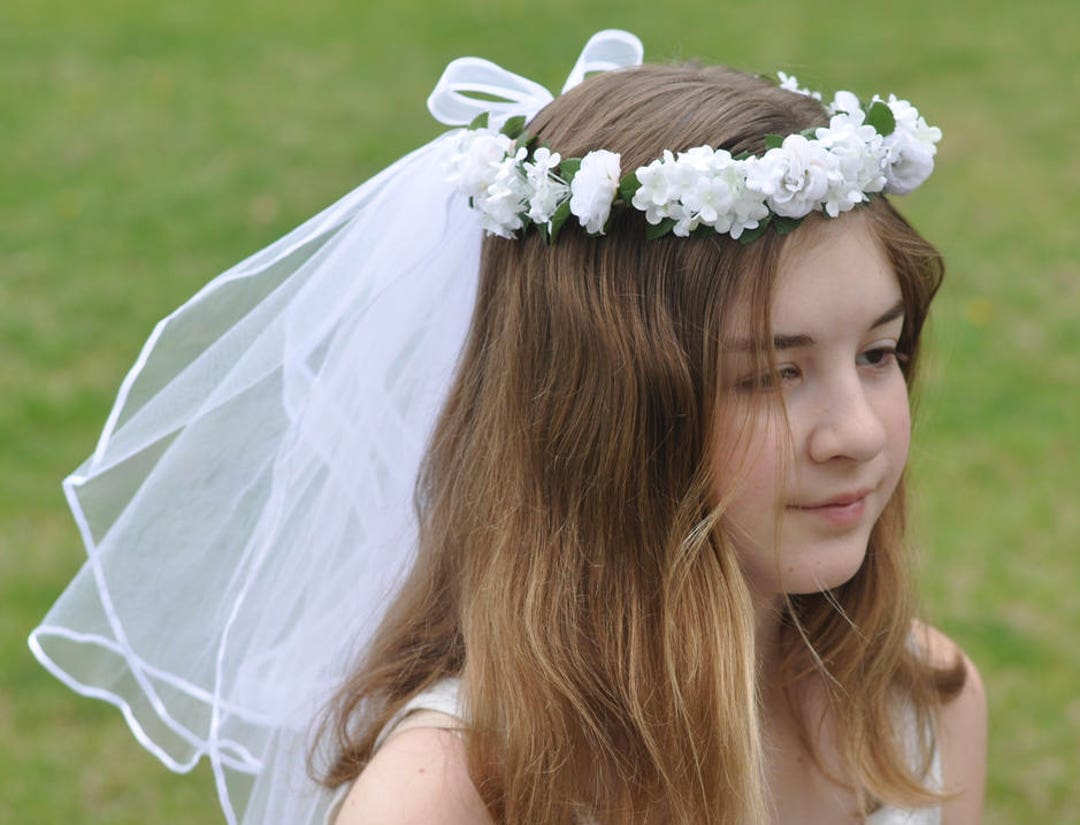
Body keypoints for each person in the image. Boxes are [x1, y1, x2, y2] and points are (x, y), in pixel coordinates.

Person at [30, 31, 985, 825]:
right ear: (603, 415)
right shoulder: (453, 794)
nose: (855, 432)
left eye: (878, 354)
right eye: (773, 375)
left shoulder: (917, 703)